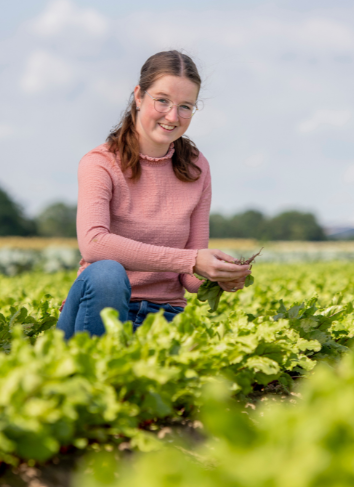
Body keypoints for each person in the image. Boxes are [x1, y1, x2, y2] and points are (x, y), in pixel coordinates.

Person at [56, 50, 252, 338]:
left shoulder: (196, 167)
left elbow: (189, 274)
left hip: (164, 318)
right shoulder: (100, 163)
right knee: (108, 273)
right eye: (162, 101)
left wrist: (218, 276)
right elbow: (94, 244)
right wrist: (191, 260)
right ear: (138, 96)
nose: (173, 116)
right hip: (99, 314)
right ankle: (91, 371)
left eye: (186, 106)